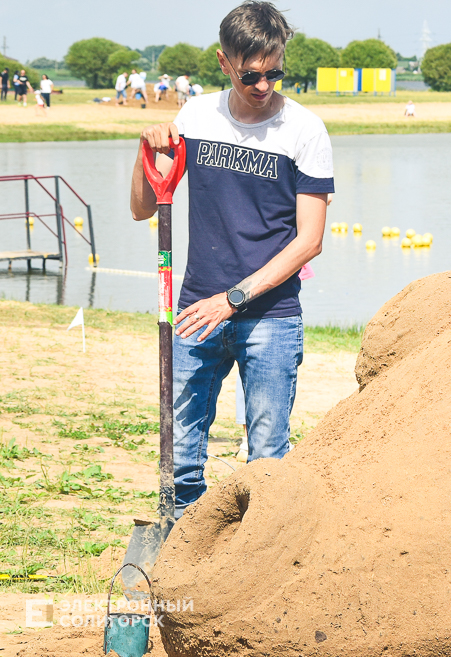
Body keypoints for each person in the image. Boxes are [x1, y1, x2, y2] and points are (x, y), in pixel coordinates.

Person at [130, 0, 334, 519]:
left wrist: (234, 298)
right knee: (180, 457)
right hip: (196, 310)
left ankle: (257, 568)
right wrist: (143, 151)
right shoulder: (196, 116)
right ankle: (181, 557)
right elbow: (141, 208)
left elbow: (309, 240)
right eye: (251, 75)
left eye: (275, 72)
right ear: (224, 63)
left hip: (270, 317)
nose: (265, 86)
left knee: (267, 460)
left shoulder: (305, 131)